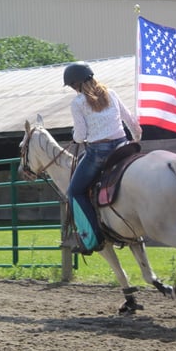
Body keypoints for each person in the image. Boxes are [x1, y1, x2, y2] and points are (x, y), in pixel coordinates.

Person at [63, 62, 142, 254]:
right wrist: (137, 137)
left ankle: (92, 238)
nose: (74, 90)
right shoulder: (111, 93)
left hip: (99, 152)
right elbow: (131, 120)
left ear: (77, 84)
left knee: (74, 192)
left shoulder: (78, 103)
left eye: (73, 86)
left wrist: (75, 136)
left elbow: (80, 136)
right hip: (123, 147)